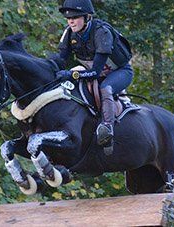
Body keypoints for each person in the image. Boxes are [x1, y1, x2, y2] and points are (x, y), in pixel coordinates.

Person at [55, 0, 133, 148]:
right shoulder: (69, 33)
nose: (71, 21)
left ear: (87, 17)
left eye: (75, 17)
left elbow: (95, 73)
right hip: (93, 72)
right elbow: (59, 60)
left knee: (105, 88)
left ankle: (107, 128)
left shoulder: (101, 32)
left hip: (120, 72)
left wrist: (71, 75)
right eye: (68, 18)